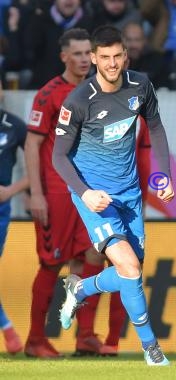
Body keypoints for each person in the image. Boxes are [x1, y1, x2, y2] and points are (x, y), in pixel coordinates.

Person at [52, 25, 174, 366]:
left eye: (117, 56)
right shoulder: (78, 101)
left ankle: (81, 289)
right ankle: (152, 349)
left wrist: (163, 172)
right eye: (103, 57)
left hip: (131, 194)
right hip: (95, 197)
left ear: (126, 55)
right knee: (130, 267)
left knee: (131, 271)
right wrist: (85, 194)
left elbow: (157, 126)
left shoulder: (141, 85)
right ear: (93, 58)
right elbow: (58, 156)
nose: (111, 63)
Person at [24, 28, 112, 358]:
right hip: (58, 193)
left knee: (93, 257)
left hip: (91, 192)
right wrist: (36, 193)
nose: (83, 59)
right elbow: (32, 145)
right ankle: (34, 339)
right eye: (76, 54)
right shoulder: (48, 94)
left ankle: (85, 335)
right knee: (52, 264)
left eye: (87, 53)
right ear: (64, 57)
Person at [0, 105, 28, 356]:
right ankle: (8, 331)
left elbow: (40, 161)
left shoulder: (15, 126)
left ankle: (8, 330)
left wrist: (12, 190)